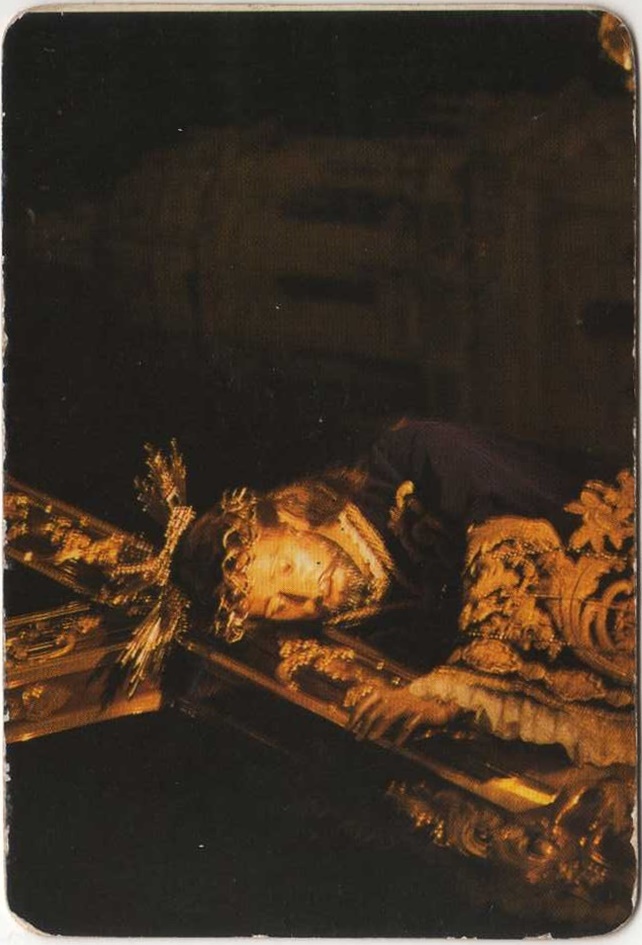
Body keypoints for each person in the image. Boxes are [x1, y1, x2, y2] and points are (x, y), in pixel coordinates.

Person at [172, 417, 596, 745]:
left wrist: (456, 689)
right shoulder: (357, 641)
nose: (305, 594)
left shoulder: (407, 463)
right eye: (278, 605)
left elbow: (532, 521)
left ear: (289, 518)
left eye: (286, 567)